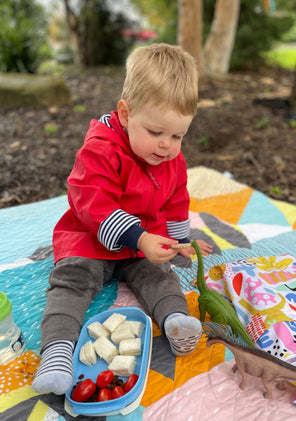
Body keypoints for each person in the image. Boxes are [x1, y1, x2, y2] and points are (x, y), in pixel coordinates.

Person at [32, 43, 212, 395]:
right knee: (71, 282)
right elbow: (92, 203)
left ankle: (176, 321)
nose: (166, 146)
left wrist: (178, 243)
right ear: (126, 114)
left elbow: (176, 200)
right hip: (90, 237)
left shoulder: (172, 160)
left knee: (159, 274)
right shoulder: (100, 148)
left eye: (177, 136)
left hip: (142, 241)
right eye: (156, 133)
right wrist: (138, 237)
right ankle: (56, 350)